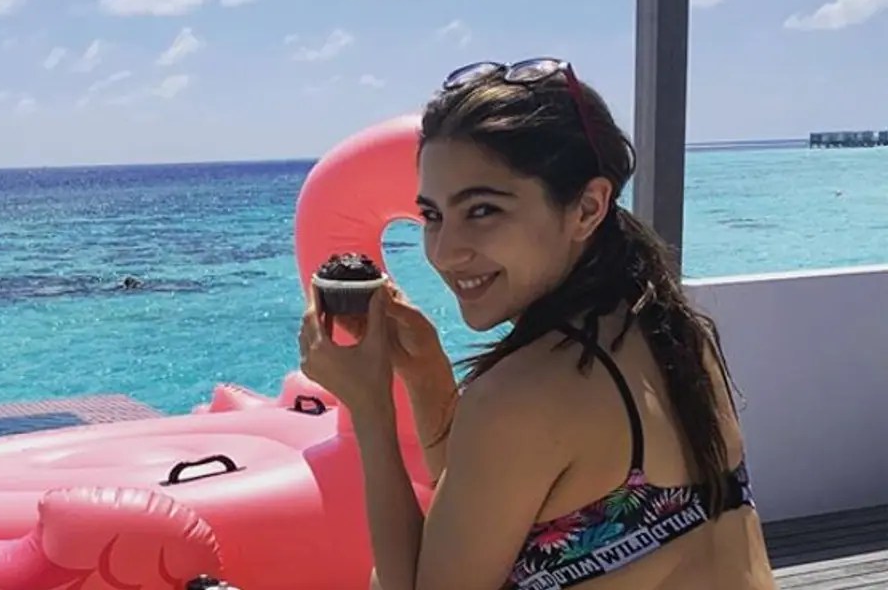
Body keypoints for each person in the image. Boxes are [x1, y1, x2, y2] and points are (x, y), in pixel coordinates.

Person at [297, 58, 776, 590]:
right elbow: (487, 502)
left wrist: (370, 410)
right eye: (432, 216)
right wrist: (425, 373)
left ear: (588, 207)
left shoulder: (524, 394)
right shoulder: (673, 332)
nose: (445, 252)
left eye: (482, 210)